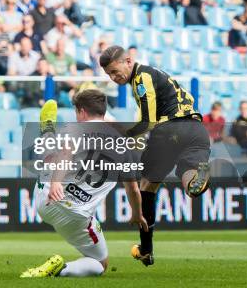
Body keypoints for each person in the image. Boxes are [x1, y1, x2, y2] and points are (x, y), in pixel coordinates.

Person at [99, 45, 211, 267]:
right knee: (189, 178)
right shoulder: (159, 75)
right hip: (196, 129)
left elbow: (148, 122)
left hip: (169, 130)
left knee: (147, 185)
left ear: (128, 61)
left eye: (114, 70)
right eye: (109, 74)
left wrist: (125, 135)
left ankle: (146, 250)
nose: (113, 77)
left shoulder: (142, 78)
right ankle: (198, 178)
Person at [20, 91, 145, 278]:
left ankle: (47, 130)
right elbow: (133, 189)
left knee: (52, 156)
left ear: (82, 111)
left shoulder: (76, 128)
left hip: (44, 198)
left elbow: (66, 154)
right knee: (100, 263)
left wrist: (55, 183)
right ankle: (62, 270)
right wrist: (137, 214)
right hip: (75, 217)